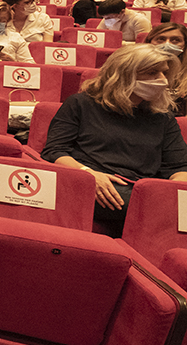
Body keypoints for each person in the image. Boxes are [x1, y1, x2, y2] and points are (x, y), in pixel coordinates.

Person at [42, 45, 187, 236]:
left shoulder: (162, 117)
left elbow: (179, 169)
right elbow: (54, 151)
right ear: (125, 74)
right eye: (152, 73)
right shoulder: (81, 103)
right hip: (88, 183)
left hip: (140, 192)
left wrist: (167, 196)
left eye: (163, 73)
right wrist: (88, 174)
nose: (162, 80)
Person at [149, 23, 187, 115]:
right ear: (149, 42)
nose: (167, 44)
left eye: (175, 40)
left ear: (184, 45)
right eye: (161, 39)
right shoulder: (135, 68)